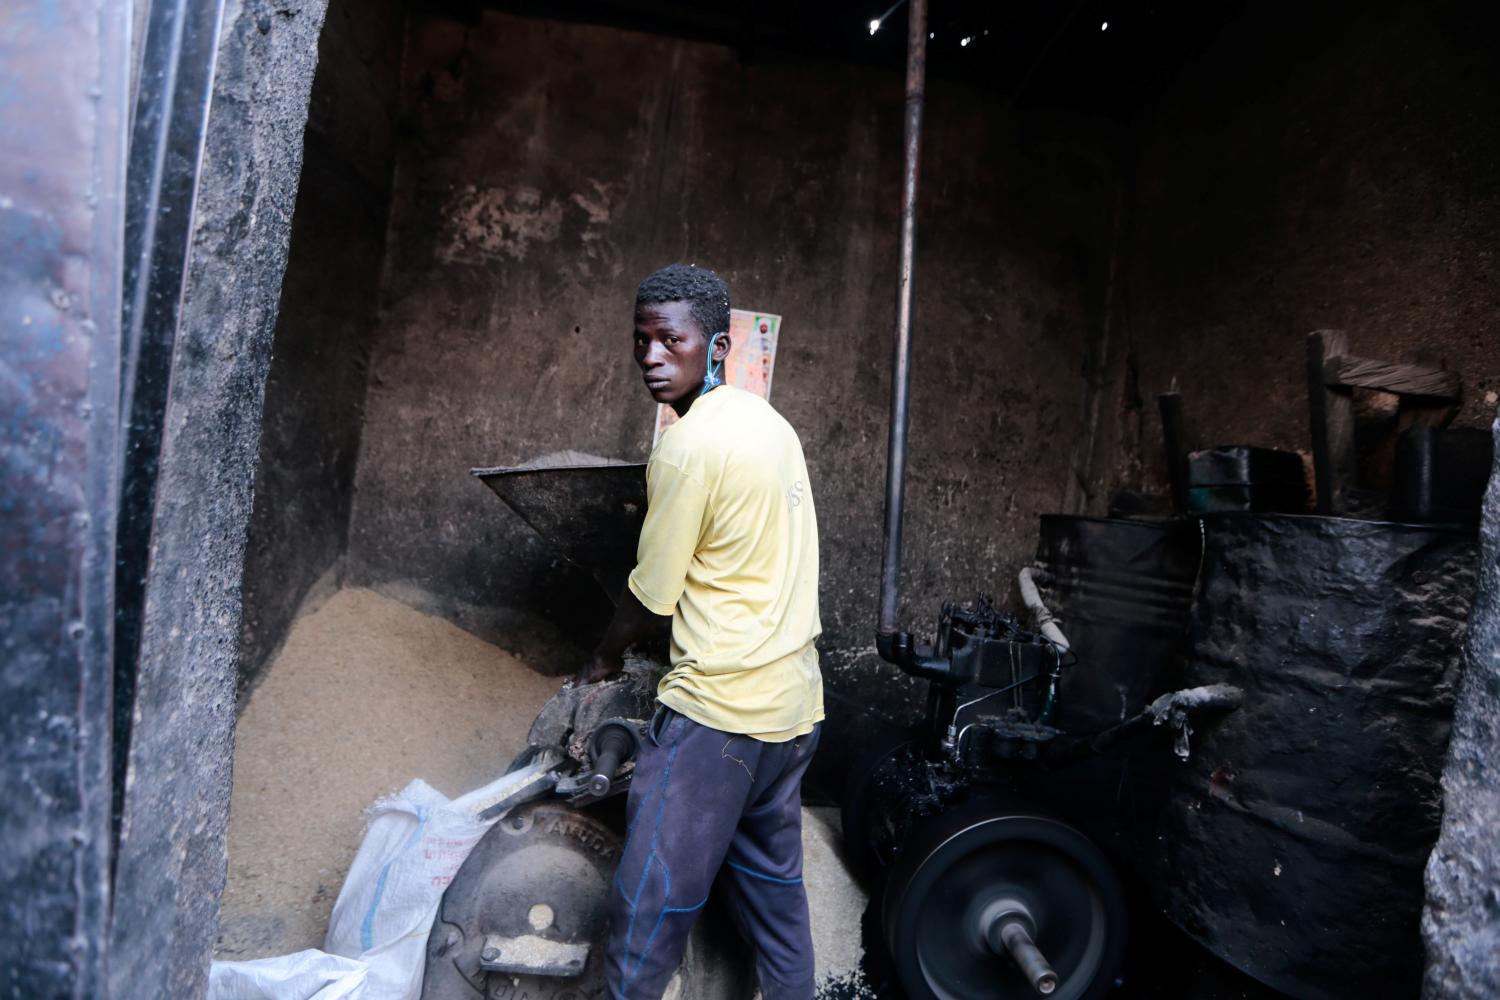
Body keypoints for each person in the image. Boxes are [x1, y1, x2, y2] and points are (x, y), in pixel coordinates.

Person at [577, 263, 824, 1000]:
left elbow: (651, 595)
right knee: (779, 921)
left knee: (648, 915)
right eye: (641, 340)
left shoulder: (685, 450)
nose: (652, 356)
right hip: (792, 715)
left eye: (671, 340)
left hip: (717, 724)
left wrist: (602, 656)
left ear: (715, 347)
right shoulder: (773, 426)